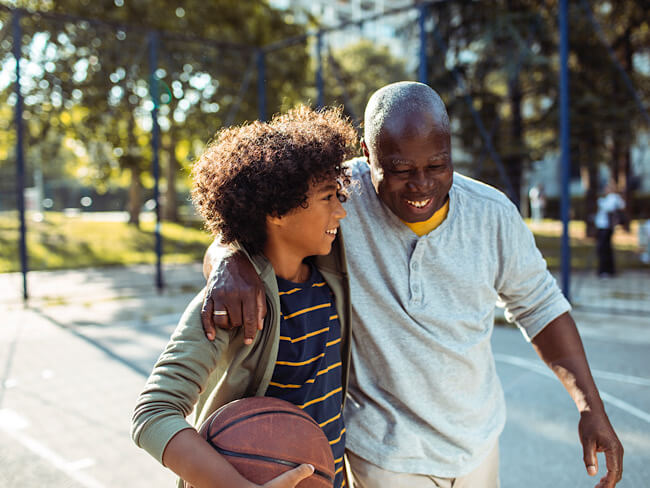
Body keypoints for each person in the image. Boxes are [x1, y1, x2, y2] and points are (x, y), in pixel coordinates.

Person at [200, 82, 623, 488]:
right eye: (401, 170)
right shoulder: (338, 199)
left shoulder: (492, 215)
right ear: (368, 155)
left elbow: (541, 306)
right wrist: (229, 259)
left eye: (437, 165)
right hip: (385, 456)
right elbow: (249, 226)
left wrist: (590, 407)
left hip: (477, 444)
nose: (421, 185)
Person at [131, 105, 357, 488]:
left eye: (340, 195)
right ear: (276, 210)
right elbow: (153, 413)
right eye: (326, 198)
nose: (341, 212)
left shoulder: (330, 273)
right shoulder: (230, 303)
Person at [594, 182, 626, 277]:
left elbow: (609, 208)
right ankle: (607, 270)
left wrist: (600, 202)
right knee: (604, 249)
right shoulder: (611, 198)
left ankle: (605, 270)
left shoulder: (613, 197)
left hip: (606, 227)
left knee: (604, 249)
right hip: (603, 227)